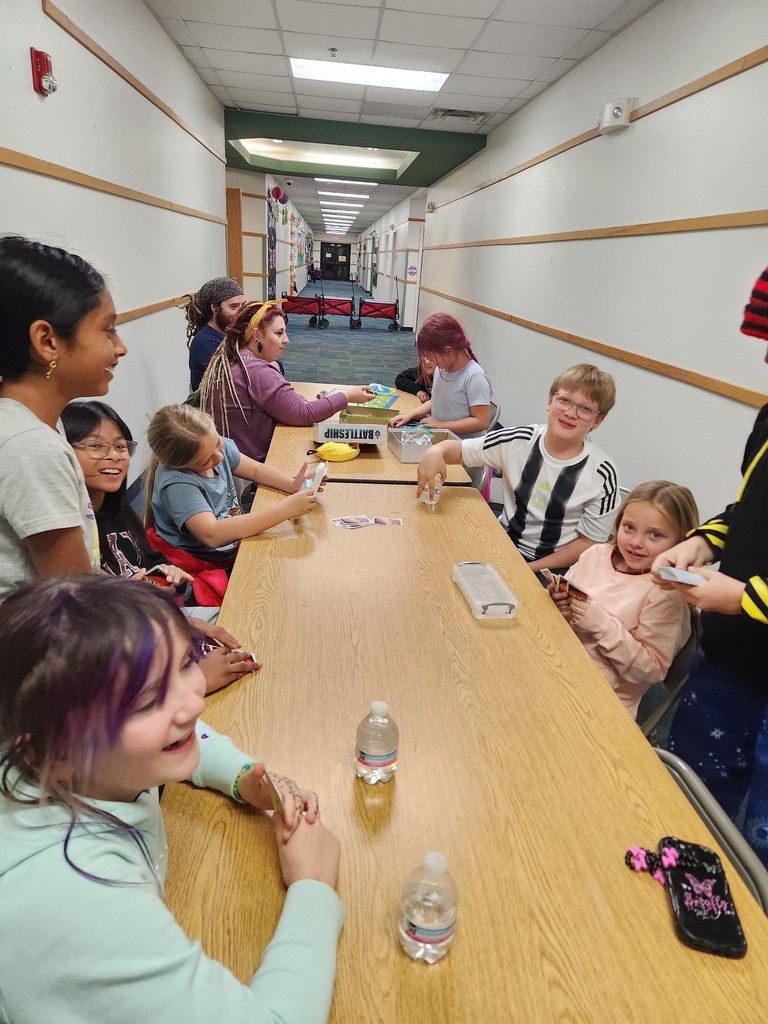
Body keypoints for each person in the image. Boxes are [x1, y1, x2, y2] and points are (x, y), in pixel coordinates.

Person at [0, 574, 342, 1023]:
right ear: (54, 750)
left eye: (185, 665)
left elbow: (189, 734)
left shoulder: (52, 752)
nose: (193, 703)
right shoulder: (81, 897)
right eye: (146, 702)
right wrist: (314, 886)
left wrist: (243, 778)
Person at [652, 263, 768, 864]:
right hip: (732, 660)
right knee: (696, 801)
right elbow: (750, 510)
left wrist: (744, 597)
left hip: (746, 622)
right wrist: (704, 541)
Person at [61, 399, 256, 693]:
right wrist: (192, 679)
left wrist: (166, 579)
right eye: (96, 446)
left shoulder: (121, 515)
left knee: (245, 628)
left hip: (156, 621)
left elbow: (152, 567)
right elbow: (94, 625)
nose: (114, 456)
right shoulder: (71, 535)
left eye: (121, 446)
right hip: (130, 654)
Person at [0, 235, 127, 598]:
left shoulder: (30, 422)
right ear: (47, 341)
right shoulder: (32, 449)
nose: (120, 347)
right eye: (107, 329)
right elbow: (75, 606)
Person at [418, 363, 619, 572]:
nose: (570, 413)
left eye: (585, 409)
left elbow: (589, 543)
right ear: (550, 401)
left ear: (598, 420)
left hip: (555, 568)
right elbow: (460, 450)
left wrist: (529, 568)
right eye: (564, 400)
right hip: (504, 544)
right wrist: (437, 451)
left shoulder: (602, 473)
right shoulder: (519, 441)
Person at [549, 481, 699, 719]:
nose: (636, 542)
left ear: (681, 545)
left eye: (655, 535)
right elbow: (566, 606)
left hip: (598, 701)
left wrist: (598, 623)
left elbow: (650, 670)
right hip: (555, 662)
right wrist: (560, 603)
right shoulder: (596, 555)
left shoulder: (665, 594)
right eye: (629, 527)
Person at [199, 300, 375, 463]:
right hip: (254, 468)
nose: (286, 339)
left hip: (236, 462)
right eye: (278, 333)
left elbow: (289, 402)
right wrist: (347, 396)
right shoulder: (258, 371)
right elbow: (304, 414)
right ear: (257, 335)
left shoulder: (235, 361)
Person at [146, 404, 319, 569]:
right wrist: (285, 510)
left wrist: (292, 484)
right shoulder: (178, 484)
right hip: (202, 560)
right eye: (207, 461)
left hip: (229, 546)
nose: (219, 458)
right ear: (182, 464)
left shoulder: (211, 446)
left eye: (217, 444)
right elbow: (212, 535)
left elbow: (257, 470)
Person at [390, 313, 491, 439]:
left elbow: (481, 422)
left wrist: (443, 425)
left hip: (465, 448)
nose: (429, 361)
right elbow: (437, 401)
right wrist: (409, 415)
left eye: (431, 356)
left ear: (448, 351)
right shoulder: (441, 369)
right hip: (442, 438)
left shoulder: (474, 376)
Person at [184, 277, 246, 391]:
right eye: (233, 307)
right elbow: (246, 378)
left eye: (243, 306)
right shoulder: (205, 343)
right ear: (215, 308)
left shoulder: (234, 332)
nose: (241, 312)